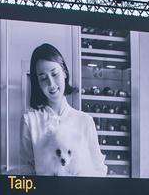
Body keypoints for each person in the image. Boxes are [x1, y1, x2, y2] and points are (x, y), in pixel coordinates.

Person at [19, 44, 107, 177]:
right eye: (43, 78)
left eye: (54, 74)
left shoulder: (85, 121)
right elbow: (25, 172)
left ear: (65, 72)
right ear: (37, 83)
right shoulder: (29, 120)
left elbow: (99, 170)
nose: (51, 84)